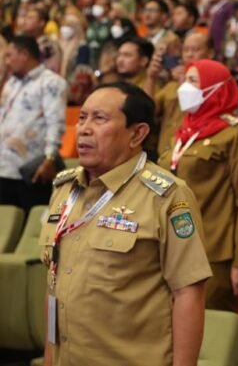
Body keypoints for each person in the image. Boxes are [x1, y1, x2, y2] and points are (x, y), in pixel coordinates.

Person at [40, 82, 211, 366]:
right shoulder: (64, 189)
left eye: (100, 118)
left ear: (137, 134)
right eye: (82, 118)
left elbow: (188, 293)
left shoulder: (167, 195)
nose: (84, 128)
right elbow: (53, 286)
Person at [158, 59, 238, 311]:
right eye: (185, 79)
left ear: (215, 87)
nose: (185, 87)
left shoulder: (236, 135)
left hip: (214, 253)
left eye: (194, 81)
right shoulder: (181, 132)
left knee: (213, 335)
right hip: (170, 247)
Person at [0, 36, 67, 213]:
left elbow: (55, 122)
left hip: (31, 168)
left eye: (9, 56)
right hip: (4, 166)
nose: (6, 62)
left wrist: (50, 158)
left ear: (24, 54)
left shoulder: (51, 82)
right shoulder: (11, 82)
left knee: (31, 218)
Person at [146, 32, 214, 157]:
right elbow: (149, 111)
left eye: (195, 49)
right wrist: (151, 78)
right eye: (186, 50)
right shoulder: (172, 85)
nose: (189, 54)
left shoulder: (216, 85)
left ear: (210, 53)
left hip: (195, 155)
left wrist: (188, 83)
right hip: (165, 155)